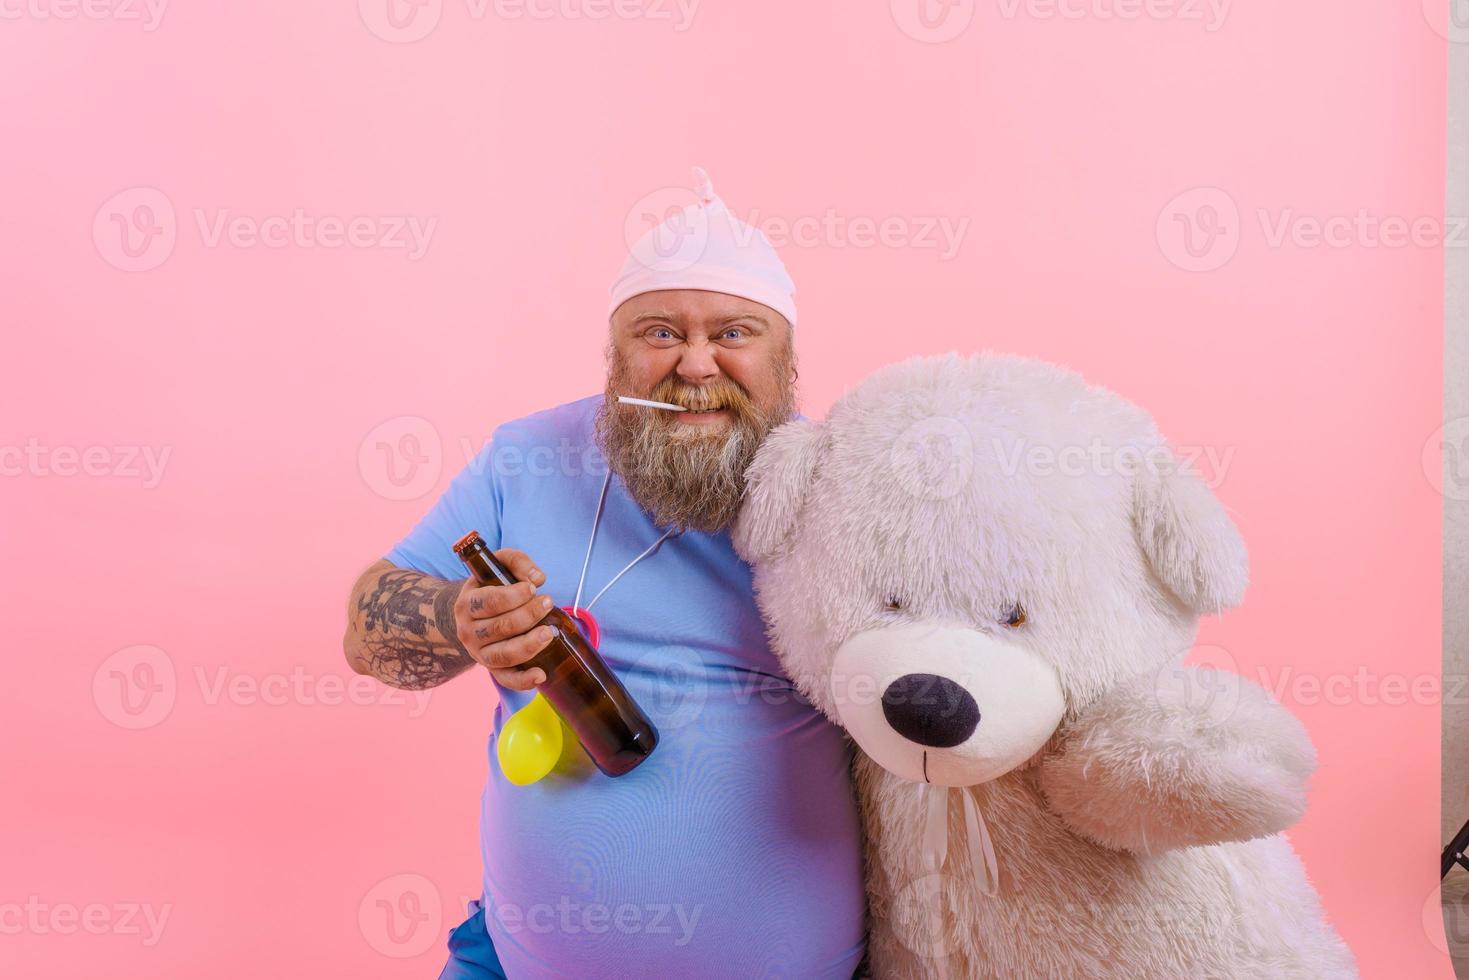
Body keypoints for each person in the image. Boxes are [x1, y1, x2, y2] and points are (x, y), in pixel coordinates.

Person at [342, 168, 866, 979]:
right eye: (659, 333)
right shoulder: (523, 458)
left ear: (787, 358)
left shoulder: (844, 489)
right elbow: (367, 633)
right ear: (614, 354)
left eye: (734, 332)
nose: (696, 366)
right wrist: (458, 618)